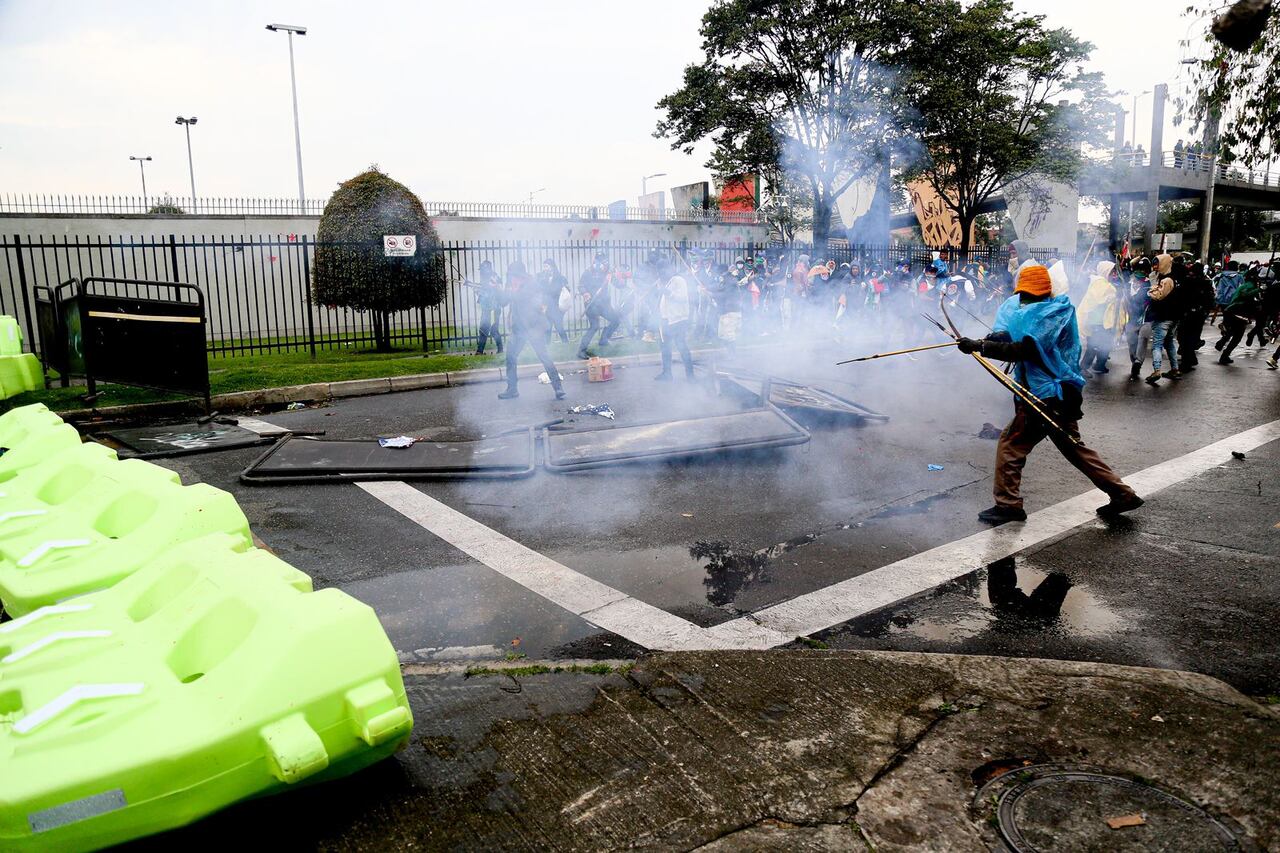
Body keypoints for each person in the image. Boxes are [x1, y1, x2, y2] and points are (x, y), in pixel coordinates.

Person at [956, 264, 1143, 525]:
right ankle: (1122, 494)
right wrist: (995, 337)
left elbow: (1026, 349)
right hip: (1057, 392)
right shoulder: (1042, 308)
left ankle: (1008, 505)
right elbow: (1014, 334)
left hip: (1048, 393)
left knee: (1011, 445)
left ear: (1040, 293)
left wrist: (982, 346)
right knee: (1074, 448)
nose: (1023, 299)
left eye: (1027, 294)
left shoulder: (1051, 313)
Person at [496, 260, 565, 401]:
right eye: (511, 275)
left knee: (544, 357)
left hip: (534, 327)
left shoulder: (531, 284)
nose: (512, 278)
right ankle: (512, 389)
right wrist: (496, 290)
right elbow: (503, 302)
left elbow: (520, 297)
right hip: (518, 328)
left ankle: (558, 387)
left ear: (522, 274)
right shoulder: (511, 284)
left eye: (515, 275)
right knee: (510, 358)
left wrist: (505, 291)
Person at [1077, 260, 1122, 376]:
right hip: (1096, 321)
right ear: (1105, 271)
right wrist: (1114, 293)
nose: (1114, 275)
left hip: (1103, 321)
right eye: (1111, 272)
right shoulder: (1100, 283)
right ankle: (1083, 367)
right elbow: (1101, 298)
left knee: (1105, 343)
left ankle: (1100, 365)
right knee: (1094, 345)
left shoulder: (1103, 283)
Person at [655, 255, 695, 381]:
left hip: (678, 320)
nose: (661, 273)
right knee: (665, 348)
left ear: (669, 269)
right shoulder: (664, 282)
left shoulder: (678, 280)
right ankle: (667, 373)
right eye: (659, 270)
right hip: (666, 320)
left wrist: (667, 292)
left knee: (681, 346)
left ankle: (690, 376)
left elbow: (683, 298)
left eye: (663, 269)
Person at [1143, 253, 1181, 384]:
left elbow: (1158, 296)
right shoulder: (1170, 277)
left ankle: (1157, 370)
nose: (1155, 266)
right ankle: (1175, 369)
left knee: (1157, 345)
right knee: (1169, 342)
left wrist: (1152, 286)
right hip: (1173, 317)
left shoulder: (1167, 280)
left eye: (1157, 264)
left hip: (1164, 317)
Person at [576, 252, 620, 359]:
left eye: (603, 261)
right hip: (592, 304)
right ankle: (581, 351)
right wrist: (585, 293)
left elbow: (618, 284)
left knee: (616, 320)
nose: (601, 264)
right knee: (594, 326)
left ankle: (604, 339)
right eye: (599, 261)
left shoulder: (607, 272)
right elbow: (580, 285)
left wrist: (615, 276)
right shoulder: (588, 272)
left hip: (604, 304)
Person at [1176, 254, 1215, 371]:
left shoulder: (1196, 283)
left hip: (1192, 313)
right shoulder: (1202, 282)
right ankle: (1190, 358)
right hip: (1194, 314)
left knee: (1185, 337)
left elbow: (1209, 299)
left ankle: (1186, 361)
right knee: (1187, 337)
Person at [1124, 257, 1154, 381]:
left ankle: (1138, 363)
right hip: (1131, 319)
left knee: (1142, 340)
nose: (1140, 272)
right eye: (1138, 269)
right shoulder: (1128, 284)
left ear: (1147, 272)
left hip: (1146, 319)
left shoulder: (1150, 285)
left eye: (1143, 270)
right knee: (1132, 342)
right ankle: (1134, 359)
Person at [473, 259, 504, 355]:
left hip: (495, 308)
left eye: (482, 269)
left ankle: (500, 349)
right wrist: (478, 291)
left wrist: (493, 285)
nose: (481, 272)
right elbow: (483, 295)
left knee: (494, 329)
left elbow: (500, 290)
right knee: (483, 328)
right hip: (486, 307)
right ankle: (480, 351)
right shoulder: (484, 279)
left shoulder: (494, 277)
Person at [538, 258, 571, 344]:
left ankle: (565, 342)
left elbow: (566, 290)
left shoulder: (560, 278)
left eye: (546, 266)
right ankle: (547, 345)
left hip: (557, 306)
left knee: (558, 325)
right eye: (544, 266)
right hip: (547, 306)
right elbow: (540, 290)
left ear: (552, 267)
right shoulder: (542, 278)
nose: (544, 268)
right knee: (548, 327)